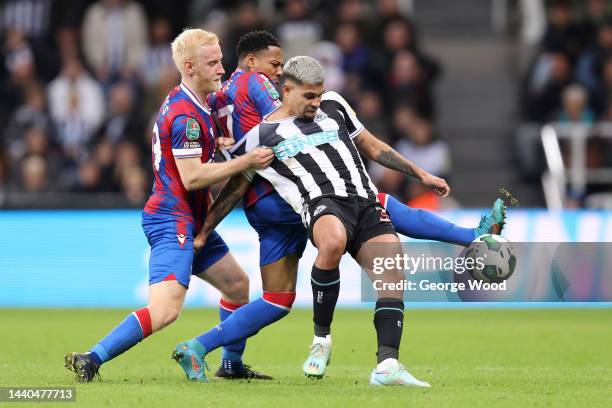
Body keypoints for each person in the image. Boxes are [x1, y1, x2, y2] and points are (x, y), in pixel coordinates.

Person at [195, 31, 506, 380]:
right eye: (276, 65)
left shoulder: (219, 95)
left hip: (262, 198)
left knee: (276, 300)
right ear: (252, 61)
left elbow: (224, 148)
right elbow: (285, 123)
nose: (278, 71)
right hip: (278, 187)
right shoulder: (258, 84)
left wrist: (220, 169)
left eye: (282, 66)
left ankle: (222, 358)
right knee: (372, 199)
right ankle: (471, 236)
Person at [63, 28, 274, 382]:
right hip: (171, 219)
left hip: (192, 217)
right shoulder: (186, 116)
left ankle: (231, 367)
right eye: (213, 63)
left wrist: (221, 141)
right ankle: (91, 358)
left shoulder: (197, 104)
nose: (222, 68)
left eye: (221, 59)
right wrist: (247, 160)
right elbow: (191, 178)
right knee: (164, 312)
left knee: (238, 285)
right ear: (189, 67)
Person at [241, 55, 430, 386]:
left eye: (319, 94)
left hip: (364, 199)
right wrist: (204, 225)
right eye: (309, 96)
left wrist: (420, 173)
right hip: (320, 201)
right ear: (287, 90)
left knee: (392, 270)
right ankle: (321, 340)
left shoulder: (335, 105)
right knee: (332, 242)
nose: (317, 102)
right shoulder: (263, 134)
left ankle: (387, 365)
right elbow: (231, 180)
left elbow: (372, 146)